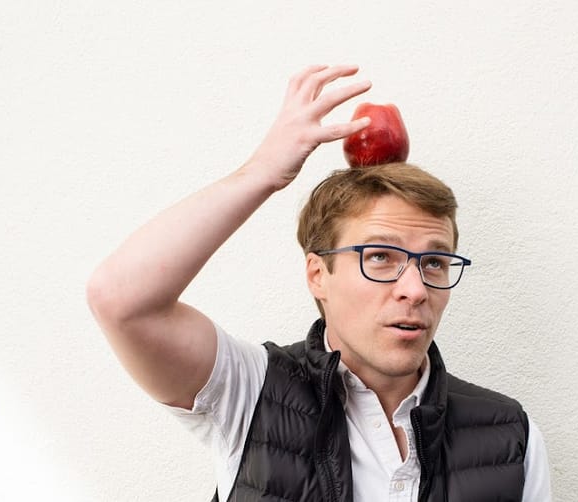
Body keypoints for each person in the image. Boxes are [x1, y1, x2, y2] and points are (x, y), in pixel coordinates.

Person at [87, 64, 552, 501]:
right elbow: (121, 299)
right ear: (318, 275)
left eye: (434, 262)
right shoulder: (250, 392)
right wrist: (262, 173)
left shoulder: (512, 436)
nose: (415, 289)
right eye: (381, 257)